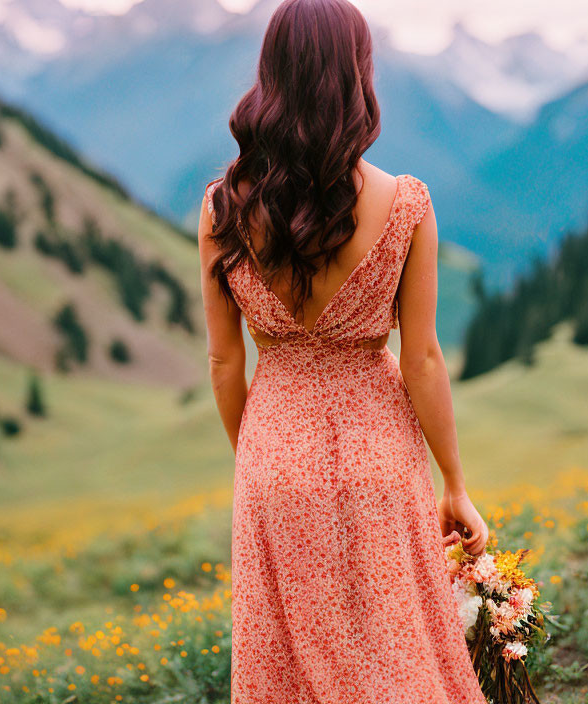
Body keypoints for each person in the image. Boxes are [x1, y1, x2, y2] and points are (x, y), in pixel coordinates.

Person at [196, 0, 489, 701]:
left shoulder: (221, 209)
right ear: (358, 75)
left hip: (273, 456)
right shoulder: (407, 203)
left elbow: (224, 362)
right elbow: (422, 359)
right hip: (379, 453)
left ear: (270, 77)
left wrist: (261, 459)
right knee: (398, 652)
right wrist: (455, 484)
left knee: (289, 670)